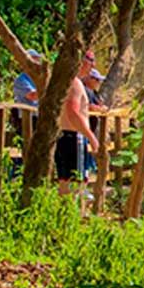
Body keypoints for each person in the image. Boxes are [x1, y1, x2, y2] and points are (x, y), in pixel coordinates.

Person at [56, 55, 100, 196]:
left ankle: (66, 214)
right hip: (74, 136)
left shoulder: (64, 81)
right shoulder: (74, 83)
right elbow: (73, 113)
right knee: (77, 182)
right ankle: (75, 214)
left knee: (65, 181)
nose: (93, 65)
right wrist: (91, 137)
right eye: (90, 60)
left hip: (64, 135)